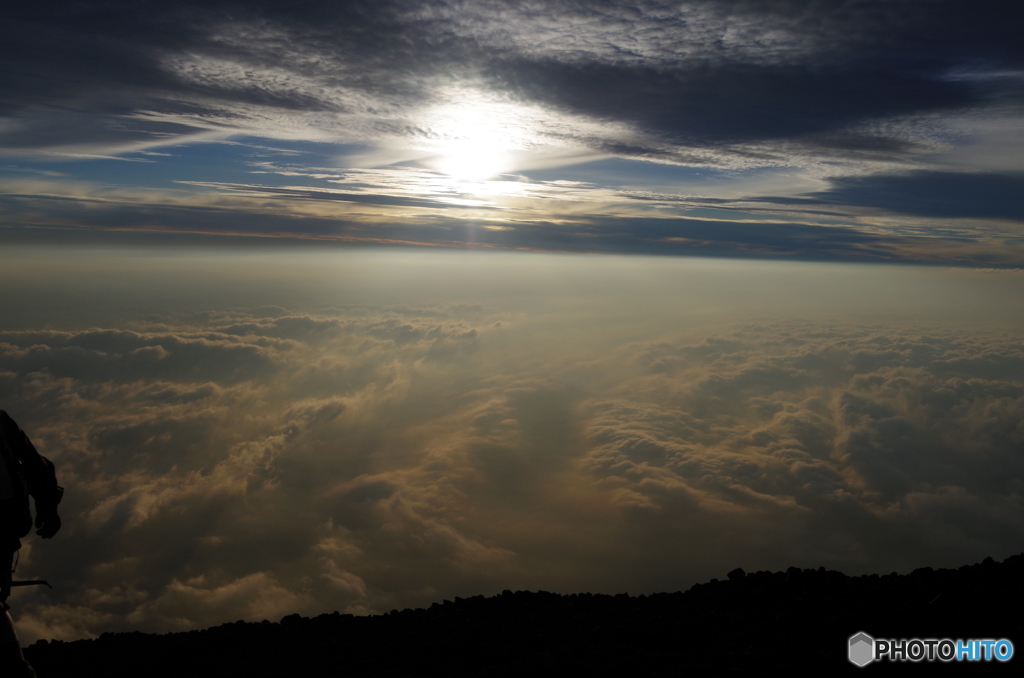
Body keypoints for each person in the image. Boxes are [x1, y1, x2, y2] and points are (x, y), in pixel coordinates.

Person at [1, 410, 63, 678]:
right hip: (6, 524)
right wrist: (47, 510)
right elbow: (35, 465)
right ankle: (17, 666)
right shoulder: (0, 421)